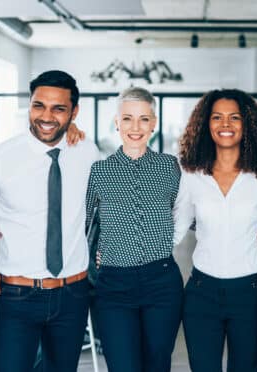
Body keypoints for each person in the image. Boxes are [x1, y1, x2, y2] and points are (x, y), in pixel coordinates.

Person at [0, 70, 100, 372]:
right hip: (18, 296)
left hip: (73, 293)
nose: (46, 116)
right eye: (38, 105)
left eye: (59, 109)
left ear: (74, 112)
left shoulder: (88, 153)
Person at [174, 89, 257, 372]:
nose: (225, 124)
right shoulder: (191, 174)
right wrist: (126, 253)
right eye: (217, 117)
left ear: (247, 124)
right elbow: (176, 229)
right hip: (202, 293)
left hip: (250, 293)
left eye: (234, 118)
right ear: (206, 124)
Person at [85, 87, 183, 371]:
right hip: (114, 286)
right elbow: (81, 224)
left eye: (143, 119)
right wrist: (94, 259)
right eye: (127, 119)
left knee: (157, 365)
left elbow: (188, 212)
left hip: (162, 283)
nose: (135, 127)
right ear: (117, 122)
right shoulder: (99, 172)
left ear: (154, 123)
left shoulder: (169, 167)